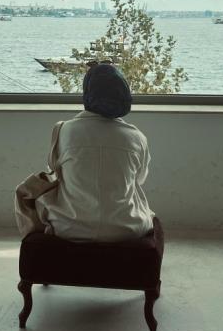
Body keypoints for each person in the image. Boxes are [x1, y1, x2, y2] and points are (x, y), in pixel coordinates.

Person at [36, 63, 154, 242]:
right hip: (127, 229)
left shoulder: (63, 131)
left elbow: (55, 171)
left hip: (68, 228)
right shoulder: (137, 138)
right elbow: (139, 180)